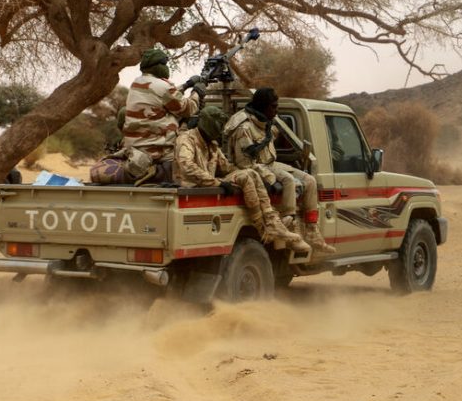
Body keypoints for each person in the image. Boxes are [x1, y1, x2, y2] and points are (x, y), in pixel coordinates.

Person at [174, 106, 310, 253]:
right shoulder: (186, 139)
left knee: (248, 174)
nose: (220, 131)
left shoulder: (211, 144)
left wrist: (257, 174)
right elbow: (187, 166)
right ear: (209, 124)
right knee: (246, 175)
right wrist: (218, 183)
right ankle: (262, 226)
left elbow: (226, 167)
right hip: (192, 185)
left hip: (207, 182)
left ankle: (272, 222)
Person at [224, 87, 336, 254]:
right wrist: (270, 178)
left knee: (310, 181)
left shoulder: (265, 122)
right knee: (289, 181)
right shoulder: (245, 128)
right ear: (263, 107)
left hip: (269, 163)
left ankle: (312, 232)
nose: (276, 111)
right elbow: (245, 164)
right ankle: (289, 227)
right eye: (273, 107)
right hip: (253, 167)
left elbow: (269, 143)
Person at [122, 48, 205, 166]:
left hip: (135, 147)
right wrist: (197, 92)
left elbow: (163, 95)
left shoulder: (137, 83)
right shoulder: (163, 86)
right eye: (164, 64)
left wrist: (187, 85)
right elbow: (188, 109)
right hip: (159, 151)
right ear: (157, 66)